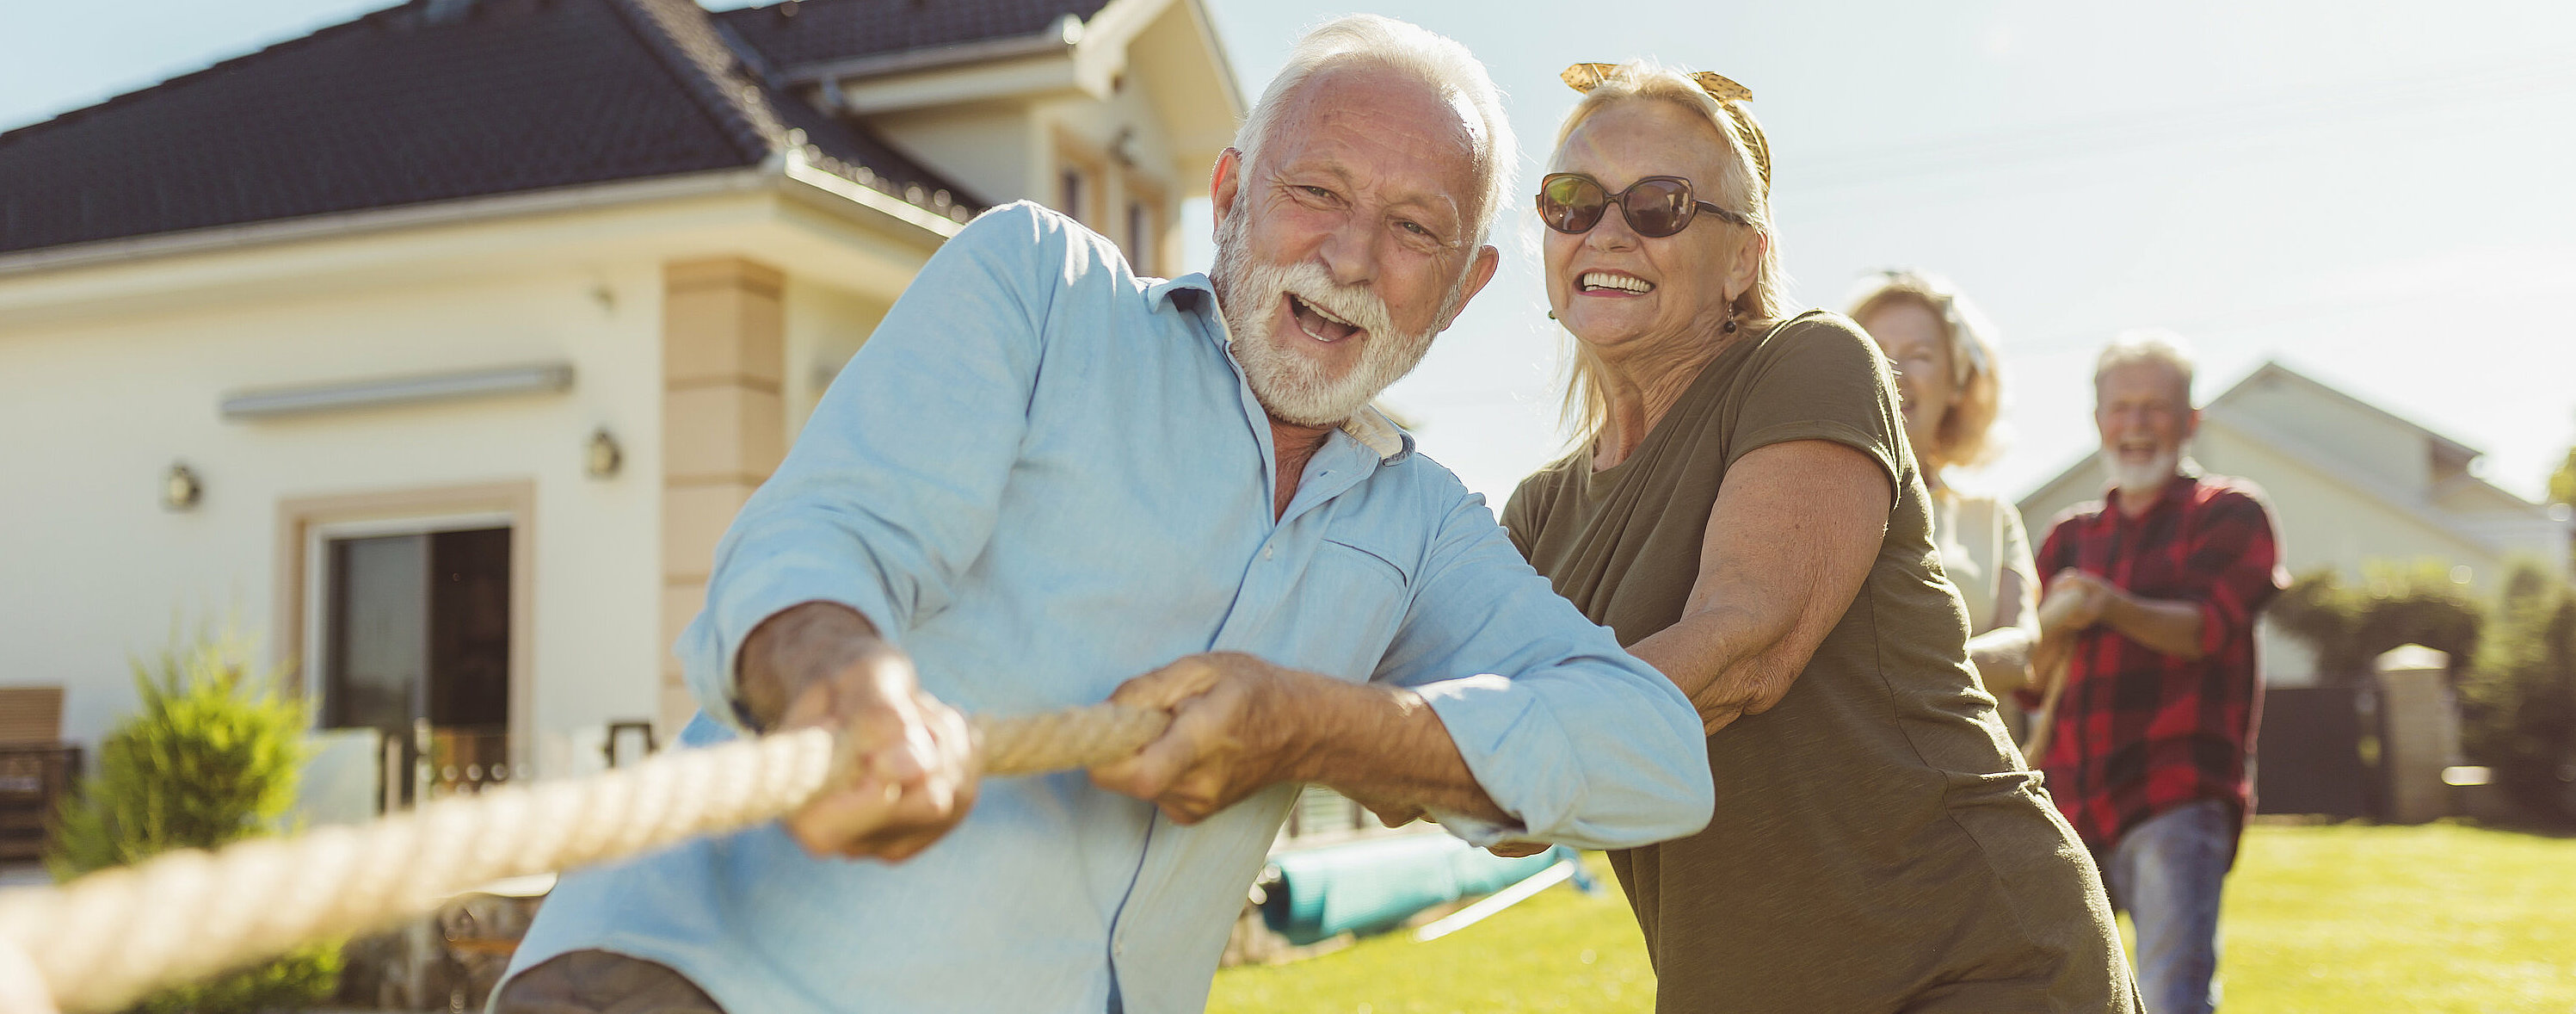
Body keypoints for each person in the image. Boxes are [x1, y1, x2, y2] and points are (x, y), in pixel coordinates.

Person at [492, 18, 1716, 1014]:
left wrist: (1325, 729)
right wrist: (841, 678)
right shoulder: (1038, 289)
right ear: (1229, 193)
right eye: (1315, 190)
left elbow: (1652, 755)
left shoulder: (1424, 526)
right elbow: (826, 538)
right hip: (689, 981)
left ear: (1463, 288)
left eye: (1412, 229)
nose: (1347, 256)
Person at [1499, 60, 2135, 1011]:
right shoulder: (1540, 511)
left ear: (1745, 257)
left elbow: (1742, 644)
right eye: (1573, 200)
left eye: (1661, 204)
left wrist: (1426, 740)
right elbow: (1506, 810)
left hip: (1969, 957)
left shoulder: (1813, 362)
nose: (1608, 230)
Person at [2023, 331, 2287, 1014]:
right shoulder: (2067, 537)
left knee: (2173, 996)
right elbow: (2030, 676)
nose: (2136, 425)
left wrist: (2107, 604)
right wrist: (2052, 622)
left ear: (2190, 420)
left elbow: (2204, 630)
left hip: (2176, 795)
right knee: (2065, 995)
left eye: (2155, 408)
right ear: (2098, 420)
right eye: (2121, 408)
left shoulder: (2232, 512)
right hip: (2070, 803)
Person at [1850, 271, 2043, 736]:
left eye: (1920, 356)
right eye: (1875, 353)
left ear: (1957, 384)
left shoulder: (1993, 517)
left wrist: (1892, 680)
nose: (1894, 371)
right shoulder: (1817, 503)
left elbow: (2021, 651)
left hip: (1977, 778)